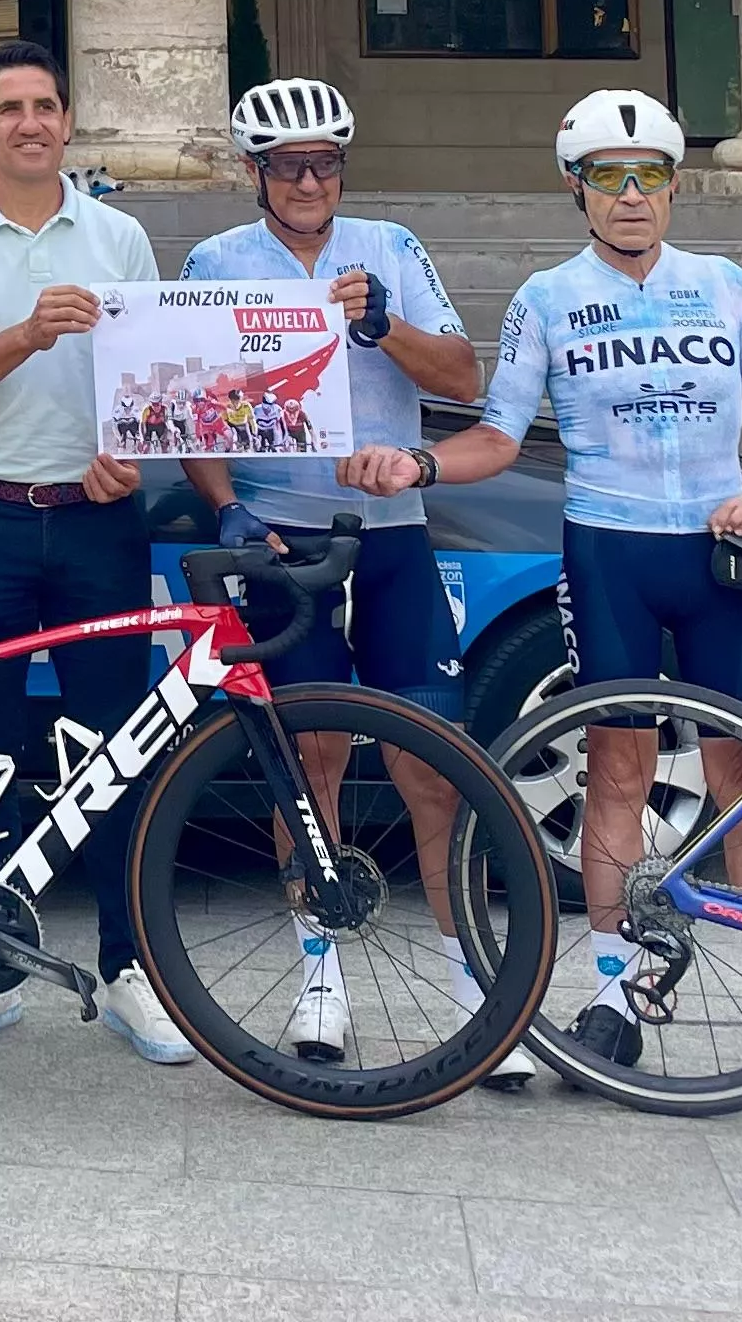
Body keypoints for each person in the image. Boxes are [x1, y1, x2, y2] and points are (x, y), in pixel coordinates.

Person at [345, 87, 742, 1104]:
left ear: (674, 186)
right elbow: (500, 437)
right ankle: (614, 1001)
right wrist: (416, 466)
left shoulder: (724, 285)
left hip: (716, 556)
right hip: (607, 554)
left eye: (649, 177)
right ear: (576, 189)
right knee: (618, 775)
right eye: (607, 178)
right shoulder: (545, 298)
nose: (631, 196)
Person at [179, 77, 514, 1075]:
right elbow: (186, 406)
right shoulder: (214, 263)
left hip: (392, 532)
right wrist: (223, 506)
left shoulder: (392, 246)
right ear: (254, 174)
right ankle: (320, 980)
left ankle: (470, 981)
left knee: (429, 767)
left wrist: (378, 330)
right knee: (309, 760)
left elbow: (462, 379)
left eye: (325, 163)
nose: (309, 181)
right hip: (281, 541)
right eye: (288, 166)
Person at [0, 40, 194, 1067]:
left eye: (46, 105)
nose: (30, 122)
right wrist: (25, 334)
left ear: (68, 122)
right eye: (10, 107)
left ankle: (125, 969)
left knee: (113, 749)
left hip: (97, 519)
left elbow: (154, 384)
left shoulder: (118, 235)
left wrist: (131, 454)